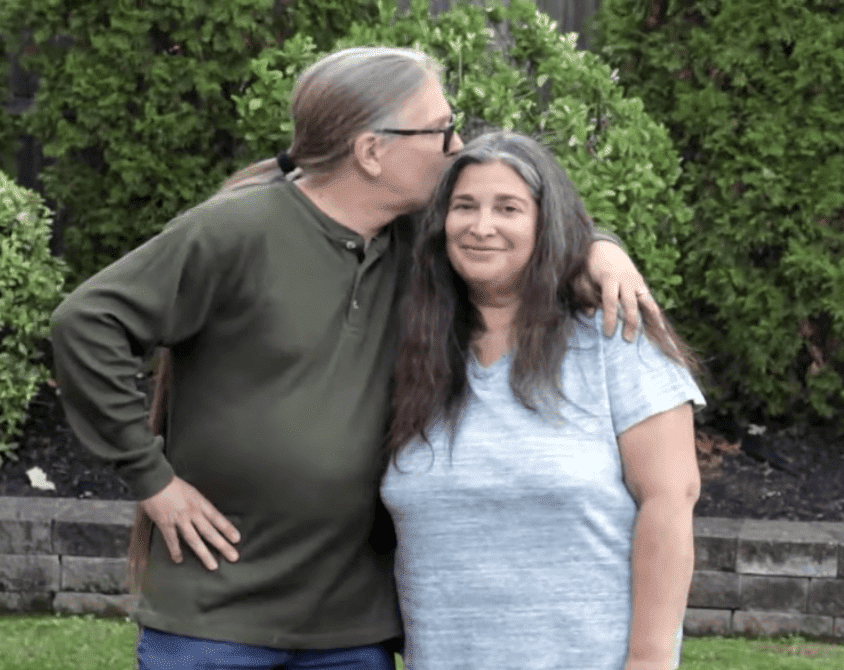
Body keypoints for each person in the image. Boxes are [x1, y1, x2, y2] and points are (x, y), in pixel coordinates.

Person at [51, 48, 662, 670]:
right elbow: (87, 323)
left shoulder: (423, 247)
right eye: (440, 129)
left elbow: (519, 221)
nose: (455, 146)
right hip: (214, 612)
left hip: (351, 629)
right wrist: (152, 481)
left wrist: (599, 248)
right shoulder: (236, 231)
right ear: (371, 152)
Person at [381, 131, 705, 670]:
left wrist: (650, 661)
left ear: (544, 221)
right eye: (464, 206)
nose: (481, 227)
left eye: (507, 208)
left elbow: (670, 501)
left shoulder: (614, 337)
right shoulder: (415, 353)